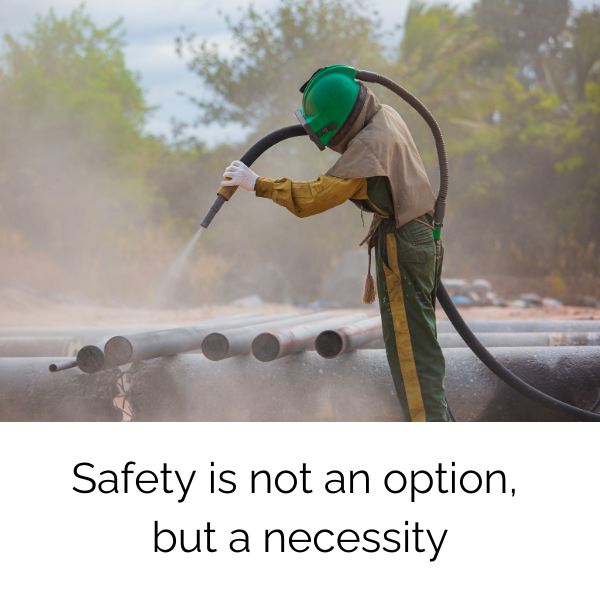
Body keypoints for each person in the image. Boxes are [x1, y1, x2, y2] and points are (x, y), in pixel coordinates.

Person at [221, 65, 451, 423]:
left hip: (404, 243)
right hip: (420, 235)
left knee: (412, 360)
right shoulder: (384, 115)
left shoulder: (366, 151)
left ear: (338, 124)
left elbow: (314, 198)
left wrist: (258, 183)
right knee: (419, 353)